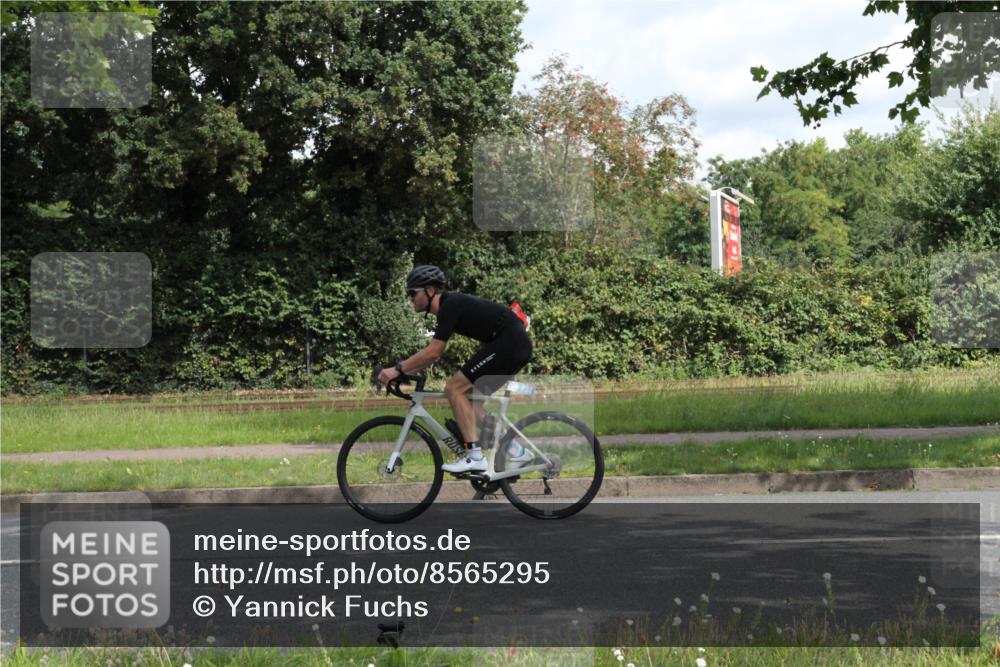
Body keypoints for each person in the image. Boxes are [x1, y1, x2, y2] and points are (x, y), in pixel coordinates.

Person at [377, 265, 533, 473]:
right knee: (470, 404)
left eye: (413, 293)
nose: (410, 298)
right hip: (512, 345)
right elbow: (432, 353)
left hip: (510, 344)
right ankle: (518, 453)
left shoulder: (450, 305)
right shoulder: (449, 306)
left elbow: (434, 352)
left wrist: (397, 369)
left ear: (430, 290)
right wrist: (405, 369)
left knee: (454, 389)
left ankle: (474, 456)